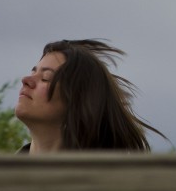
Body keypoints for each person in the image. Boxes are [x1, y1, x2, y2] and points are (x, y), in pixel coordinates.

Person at [14, 39, 164, 153]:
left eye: (45, 78)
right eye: (33, 72)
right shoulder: (0, 178)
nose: (26, 80)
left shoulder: (110, 184)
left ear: (76, 101)